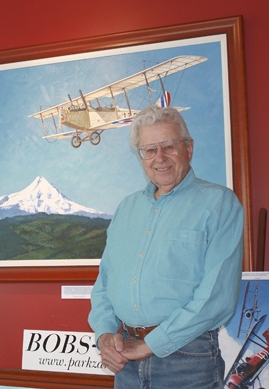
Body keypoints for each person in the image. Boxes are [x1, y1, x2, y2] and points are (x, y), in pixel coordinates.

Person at [88, 105, 244, 388]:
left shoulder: (220, 203)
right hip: (126, 355)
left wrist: (150, 345)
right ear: (141, 156)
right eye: (149, 150)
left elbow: (216, 299)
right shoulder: (126, 208)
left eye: (168, 146)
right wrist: (104, 335)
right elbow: (104, 284)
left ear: (189, 148)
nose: (159, 158)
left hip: (187, 359)